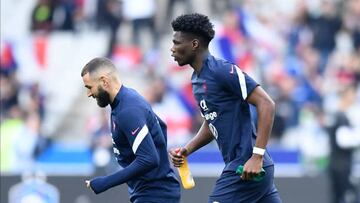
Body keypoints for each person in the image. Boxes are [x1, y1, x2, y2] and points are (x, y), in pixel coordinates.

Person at [169, 13, 282, 203]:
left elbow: (266, 103)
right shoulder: (197, 79)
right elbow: (213, 121)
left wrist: (257, 156)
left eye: (177, 43)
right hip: (245, 167)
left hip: (246, 164)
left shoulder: (221, 70)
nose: (172, 49)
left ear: (194, 44)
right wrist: (188, 149)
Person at [81, 57, 180, 203]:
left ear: (104, 81)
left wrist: (104, 182)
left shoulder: (127, 109)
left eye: (89, 87)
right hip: (152, 191)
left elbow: (149, 159)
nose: (89, 94)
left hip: (155, 194)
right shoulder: (125, 100)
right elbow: (161, 125)